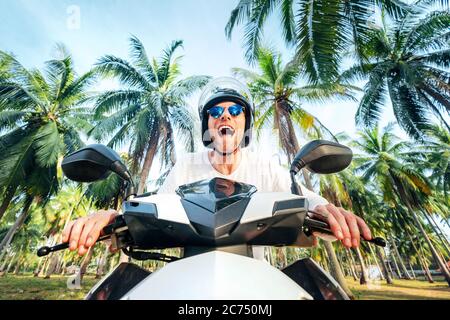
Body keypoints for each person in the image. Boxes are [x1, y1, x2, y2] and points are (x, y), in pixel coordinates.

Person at [62, 77, 372, 257]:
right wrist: (111, 217)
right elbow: (153, 207)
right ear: (208, 125)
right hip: (188, 274)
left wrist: (329, 213)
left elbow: (308, 202)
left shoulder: (265, 167)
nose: (225, 116)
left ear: (244, 124)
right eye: (216, 112)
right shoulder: (186, 166)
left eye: (235, 110)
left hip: (256, 277)